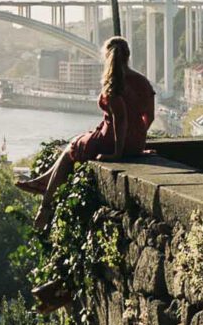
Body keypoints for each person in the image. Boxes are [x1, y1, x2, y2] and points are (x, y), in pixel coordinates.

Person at [18, 36, 155, 232]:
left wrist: (117, 152)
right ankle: (43, 180)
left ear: (107, 56)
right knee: (77, 142)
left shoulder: (113, 83)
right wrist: (137, 141)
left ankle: (45, 204)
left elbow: (120, 120)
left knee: (71, 148)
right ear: (128, 55)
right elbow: (148, 116)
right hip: (135, 143)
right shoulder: (143, 82)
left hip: (111, 142)